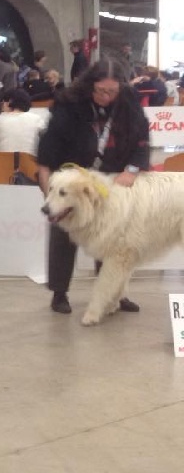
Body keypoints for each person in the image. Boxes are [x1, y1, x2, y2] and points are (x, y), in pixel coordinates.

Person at [37, 57, 149, 315]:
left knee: (113, 237)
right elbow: (50, 146)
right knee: (64, 232)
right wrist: (49, 185)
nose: (106, 96)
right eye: (100, 90)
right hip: (73, 175)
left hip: (111, 177)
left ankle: (114, 293)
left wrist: (132, 170)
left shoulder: (128, 100)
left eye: (112, 91)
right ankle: (59, 292)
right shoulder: (68, 102)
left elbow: (142, 137)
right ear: (90, 85)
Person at [0, 88, 46, 156]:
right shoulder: (37, 119)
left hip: (5, 164)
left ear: (10, 102)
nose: (1, 105)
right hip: (30, 164)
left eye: (3, 102)